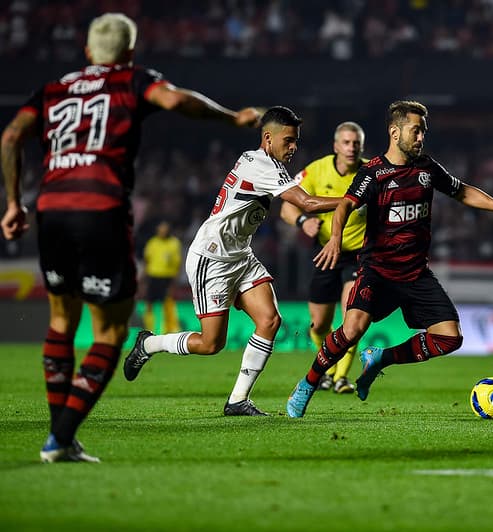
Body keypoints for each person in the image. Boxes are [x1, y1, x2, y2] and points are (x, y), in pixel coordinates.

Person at [0, 13, 263, 463]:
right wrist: (232, 119)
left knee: (61, 321)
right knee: (109, 329)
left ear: (86, 52)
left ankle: (60, 435)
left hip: (51, 209)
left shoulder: (52, 89)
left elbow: (10, 137)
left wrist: (12, 202)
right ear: (129, 53)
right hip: (100, 208)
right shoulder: (131, 80)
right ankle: (61, 437)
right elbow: (177, 100)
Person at [285, 100, 493, 417]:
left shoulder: (427, 168)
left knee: (450, 338)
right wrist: (335, 237)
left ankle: (381, 358)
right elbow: (345, 206)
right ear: (395, 132)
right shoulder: (374, 172)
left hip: (415, 274)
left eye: (423, 132)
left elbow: (462, 191)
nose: (421, 138)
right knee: (351, 329)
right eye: (415, 131)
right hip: (377, 271)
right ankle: (307, 384)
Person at [123, 106, 343, 417]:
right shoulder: (263, 167)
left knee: (270, 321)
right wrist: (355, 199)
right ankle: (149, 345)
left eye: (296, 142)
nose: (294, 148)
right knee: (211, 343)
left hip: (240, 255)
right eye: (289, 141)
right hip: (212, 258)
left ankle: (238, 400)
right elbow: (306, 202)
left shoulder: (257, 160)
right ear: (268, 138)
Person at [279, 121, 368, 394]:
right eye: (346, 142)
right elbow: (286, 208)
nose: (351, 147)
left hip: (360, 256)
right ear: (335, 146)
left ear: (361, 146)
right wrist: (304, 220)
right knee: (318, 324)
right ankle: (328, 369)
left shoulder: (371, 172)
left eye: (356, 143)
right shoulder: (316, 170)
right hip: (325, 255)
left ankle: (341, 377)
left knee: (350, 320)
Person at [141, 220, 182, 334]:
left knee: (168, 304)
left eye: (165, 229)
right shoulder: (153, 242)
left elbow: (177, 263)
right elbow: (146, 260)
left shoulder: (174, 243)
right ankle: (148, 328)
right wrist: (143, 279)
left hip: (167, 277)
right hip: (153, 276)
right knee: (149, 304)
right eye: (161, 229)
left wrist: (175, 281)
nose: (162, 231)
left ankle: (169, 329)